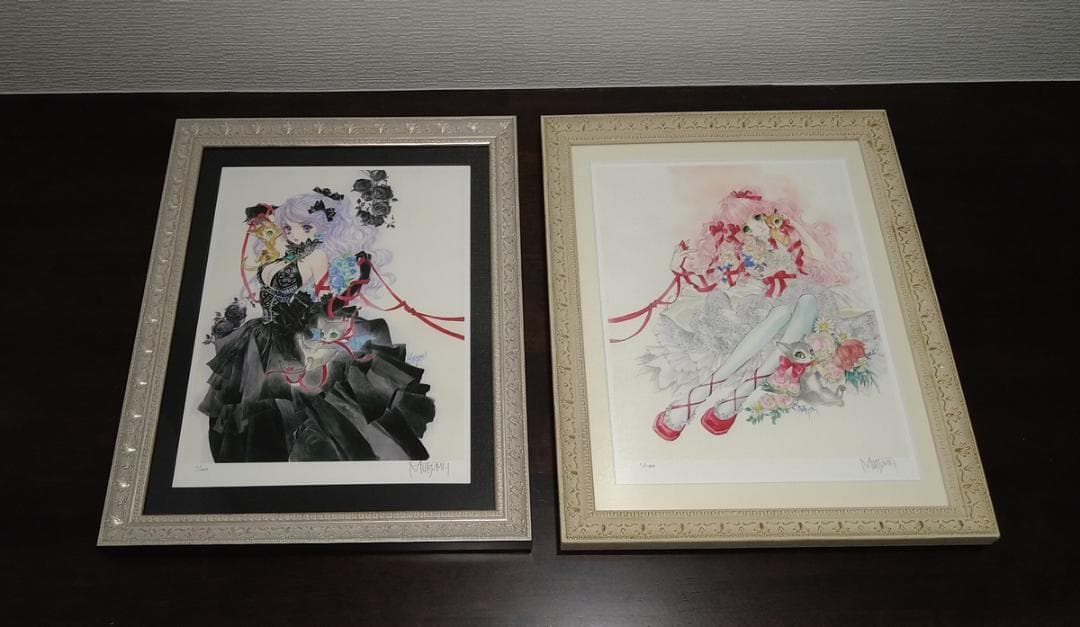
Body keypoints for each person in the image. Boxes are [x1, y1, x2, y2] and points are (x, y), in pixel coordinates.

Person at [198, 179, 437, 462]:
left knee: (303, 405)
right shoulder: (284, 253)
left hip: (292, 338)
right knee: (246, 401)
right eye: (288, 228)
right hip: (260, 336)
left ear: (322, 228)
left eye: (306, 227)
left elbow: (318, 298)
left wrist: (359, 278)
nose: (294, 234)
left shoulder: (317, 256)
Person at [615, 188, 874, 440]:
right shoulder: (747, 254)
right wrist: (678, 268)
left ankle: (737, 393)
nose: (757, 228)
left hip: (808, 297)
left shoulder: (788, 238)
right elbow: (714, 280)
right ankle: (706, 394)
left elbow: (818, 255)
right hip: (774, 306)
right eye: (747, 228)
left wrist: (792, 223)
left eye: (759, 217)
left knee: (807, 299)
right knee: (781, 311)